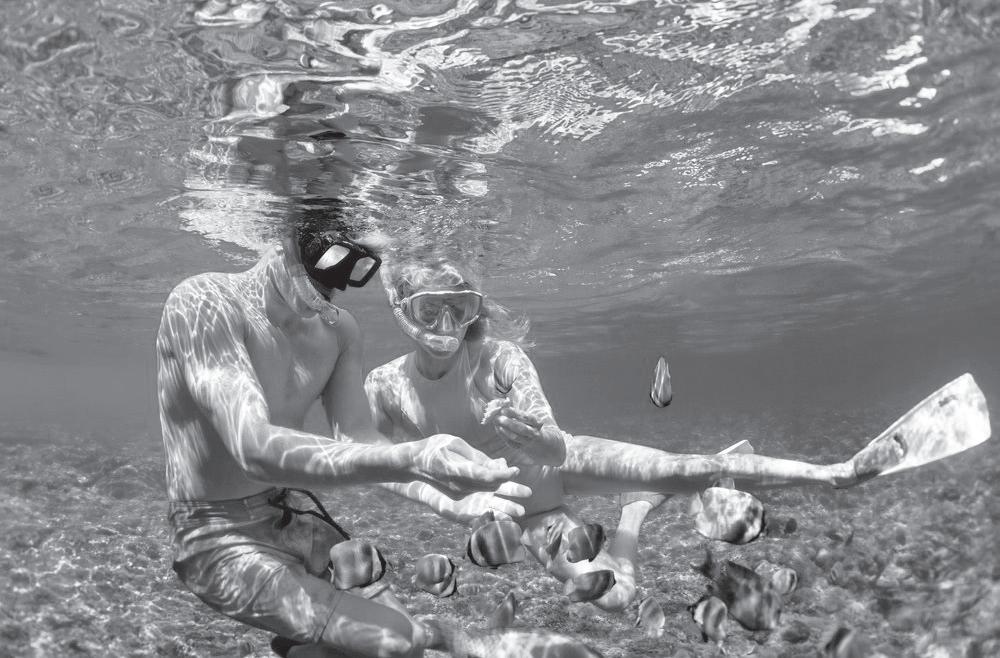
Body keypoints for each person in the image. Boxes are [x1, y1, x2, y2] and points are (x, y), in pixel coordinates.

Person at [363, 258, 904, 612]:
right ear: (401, 312)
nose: (446, 326)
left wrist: (533, 439)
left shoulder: (501, 357)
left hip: (567, 461)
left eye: (459, 308)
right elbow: (380, 465)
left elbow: (555, 444)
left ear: (474, 310)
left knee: (693, 468)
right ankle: (635, 510)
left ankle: (837, 473)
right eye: (428, 310)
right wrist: (451, 501)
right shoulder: (384, 385)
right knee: (617, 598)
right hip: (527, 515)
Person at [156, 215, 531, 658]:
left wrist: (441, 496)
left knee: (397, 644)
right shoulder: (203, 300)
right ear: (285, 232)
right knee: (398, 643)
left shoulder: (339, 330)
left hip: (291, 514)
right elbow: (251, 447)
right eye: (330, 255)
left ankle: (304, 649)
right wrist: (414, 459)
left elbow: (357, 438)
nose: (335, 283)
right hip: (214, 534)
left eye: (358, 265)